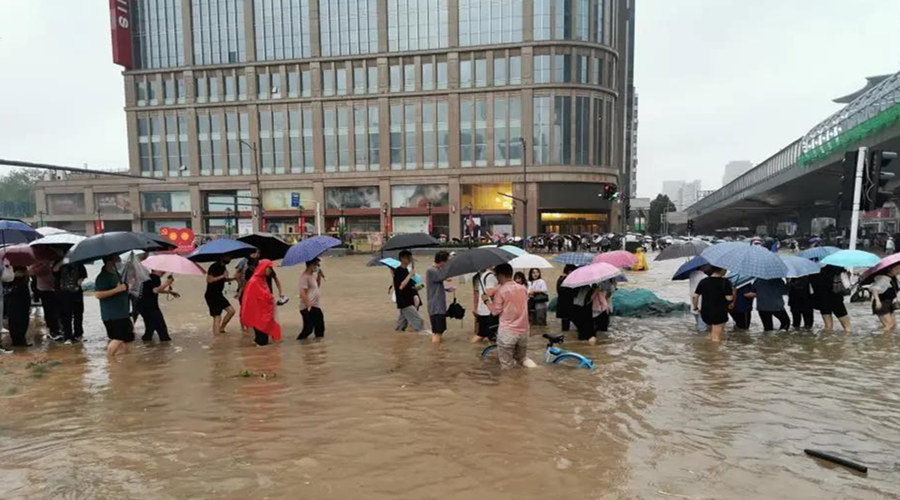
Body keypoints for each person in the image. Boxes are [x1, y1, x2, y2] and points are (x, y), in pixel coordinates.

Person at [483, 263, 529, 369]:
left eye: (496, 276)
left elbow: (495, 311)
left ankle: (508, 385)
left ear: (501, 276)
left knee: (506, 365)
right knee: (522, 359)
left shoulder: (501, 291)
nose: (496, 279)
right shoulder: (522, 288)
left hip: (508, 332)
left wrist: (486, 301)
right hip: (524, 331)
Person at [94, 255, 134, 357]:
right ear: (109, 261)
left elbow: (121, 288)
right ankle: (110, 362)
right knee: (118, 338)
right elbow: (98, 295)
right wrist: (117, 290)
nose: (119, 261)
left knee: (128, 338)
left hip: (123, 313)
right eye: (117, 259)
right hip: (112, 315)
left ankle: (128, 361)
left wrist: (127, 287)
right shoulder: (102, 277)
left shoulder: (116, 274)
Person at [240, 259, 282, 346]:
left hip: (264, 315)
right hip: (258, 316)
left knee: (264, 340)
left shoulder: (262, 280)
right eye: (268, 268)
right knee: (262, 340)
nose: (270, 270)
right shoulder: (254, 281)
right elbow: (250, 300)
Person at [693, 267, 733, 342]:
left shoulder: (703, 281)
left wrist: (695, 308)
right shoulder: (725, 282)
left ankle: (705, 350)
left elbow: (695, 296)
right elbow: (729, 298)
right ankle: (715, 353)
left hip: (706, 311)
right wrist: (732, 291)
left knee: (710, 334)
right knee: (716, 337)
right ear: (721, 270)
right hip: (719, 312)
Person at [393, 250, 429, 333]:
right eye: (407, 258)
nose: (409, 260)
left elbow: (410, 287)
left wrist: (421, 286)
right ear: (402, 258)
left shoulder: (406, 270)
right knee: (418, 321)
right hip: (405, 302)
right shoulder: (399, 271)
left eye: (410, 258)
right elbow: (401, 286)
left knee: (401, 325)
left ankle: (399, 340)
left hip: (408, 300)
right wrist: (410, 275)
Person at [139, 270, 178, 342]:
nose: (164, 271)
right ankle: (164, 351)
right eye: (162, 269)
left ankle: (147, 350)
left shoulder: (148, 276)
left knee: (149, 331)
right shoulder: (155, 278)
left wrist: (169, 292)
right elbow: (155, 290)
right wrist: (167, 283)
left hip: (142, 307)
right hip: (150, 308)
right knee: (163, 333)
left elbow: (151, 290)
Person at [811, 264, 851, 332]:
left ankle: (826, 341)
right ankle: (845, 342)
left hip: (822, 301)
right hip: (836, 300)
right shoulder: (838, 270)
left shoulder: (814, 272)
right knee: (847, 327)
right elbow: (847, 285)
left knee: (828, 327)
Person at [29, 258, 61, 341]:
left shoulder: (58, 259)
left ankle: (60, 328)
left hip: (58, 288)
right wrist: (45, 266)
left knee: (59, 310)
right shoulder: (39, 260)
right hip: (44, 289)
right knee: (50, 310)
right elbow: (31, 272)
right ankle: (53, 330)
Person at [56, 262, 87, 343]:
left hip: (77, 292)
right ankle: (67, 336)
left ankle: (78, 334)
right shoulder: (59, 262)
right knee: (66, 315)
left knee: (78, 314)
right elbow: (54, 271)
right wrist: (61, 263)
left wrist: (80, 280)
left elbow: (83, 274)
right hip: (63, 293)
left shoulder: (78, 262)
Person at [205, 256, 236, 334]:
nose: (230, 259)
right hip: (211, 294)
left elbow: (222, 280)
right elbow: (209, 280)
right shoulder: (214, 266)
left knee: (231, 311)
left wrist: (233, 279)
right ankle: (216, 339)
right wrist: (223, 276)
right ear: (222, 257)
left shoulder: (223, 267)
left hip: (219, 294)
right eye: (228, 257)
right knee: (217, 316)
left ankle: (221, 329)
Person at [297, 258, 325, 340]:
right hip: (307, 307)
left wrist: (319, 275)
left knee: (320, 327)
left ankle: (318, 345)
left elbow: (316, 286)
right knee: (308, 329)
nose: (317, 267)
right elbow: (302, 292)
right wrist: (308, 304)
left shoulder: (311, 276)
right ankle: (300, 342)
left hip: (315, 306)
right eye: (316, 264)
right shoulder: (304, 277)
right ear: (311, 265)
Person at [425, 251, 450, 344]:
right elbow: (443, 276)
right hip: (436, 307)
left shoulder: (436, 270)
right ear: (442, 261)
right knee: (438, 332)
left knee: (440, 331)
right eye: (447, 261)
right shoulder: (432, 270)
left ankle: (438, 352)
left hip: (437, 306)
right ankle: (436, 353)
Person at [5, 266, 31, 348]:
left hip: (23, 292)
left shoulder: (24, 265)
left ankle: (21, 339)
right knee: (15, 317)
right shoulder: (7, 265)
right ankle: (16, 340)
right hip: (13, 294)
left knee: (24, 317)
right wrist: (13, 275)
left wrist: (26, 274)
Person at [471, 267, 499, 342]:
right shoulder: (490, 276)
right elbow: (490, 292)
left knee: (483, 334)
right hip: (488, 310)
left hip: (483, 309)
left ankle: (477, 351)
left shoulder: (483, 275)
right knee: (484, 335)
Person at [870, 264, 900, 331]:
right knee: (889, 325)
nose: (898, 271)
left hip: (889, 303)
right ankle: (883, 340)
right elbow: (874, 289)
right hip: (882, 303)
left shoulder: (894, 278)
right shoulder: (883, 278)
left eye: (899, 269)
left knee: (894, 325)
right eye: (896, 269)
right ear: (889, 269)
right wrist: (877, 301)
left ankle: (889, 340)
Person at [556, 265, 577, 332]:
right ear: (570, 271)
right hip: (568, 306)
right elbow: (571, 293)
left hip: (563, 306)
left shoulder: (560, 279)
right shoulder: (567, 280)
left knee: (565, 326)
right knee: (569, 326)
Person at [688, 266, 710, 332]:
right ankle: (702, 341)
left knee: (699, 325)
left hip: (693, 303)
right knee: (703, 328)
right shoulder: (705, 277)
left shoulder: (692, 274)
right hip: (701, 304)